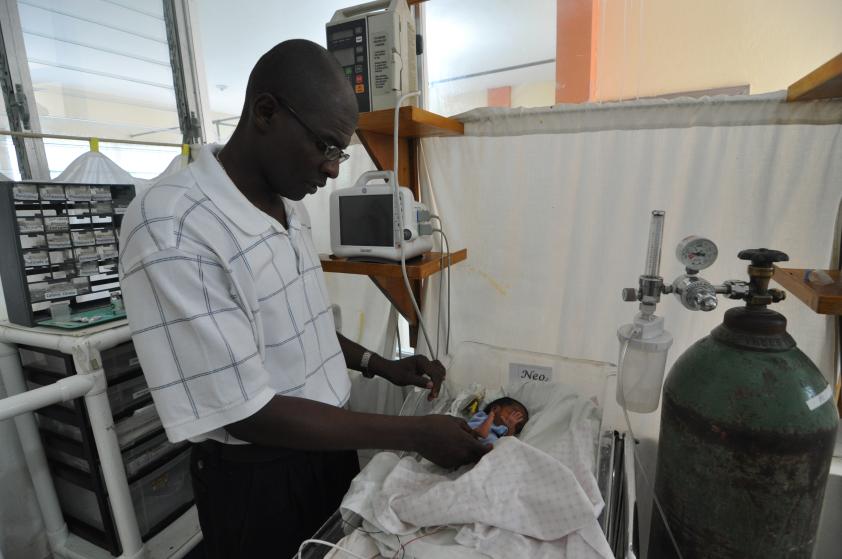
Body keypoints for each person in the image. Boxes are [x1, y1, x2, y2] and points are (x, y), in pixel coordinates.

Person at [118, 39, 489, 559]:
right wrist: (413, 434)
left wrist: (384, 366)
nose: (334, 169)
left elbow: (303, 326)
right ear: (265, 112)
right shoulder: (175, 226)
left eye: (341, 152)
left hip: (324, 449)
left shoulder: (291, 210)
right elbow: (246, 412)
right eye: (326, 147)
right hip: (258, 479)